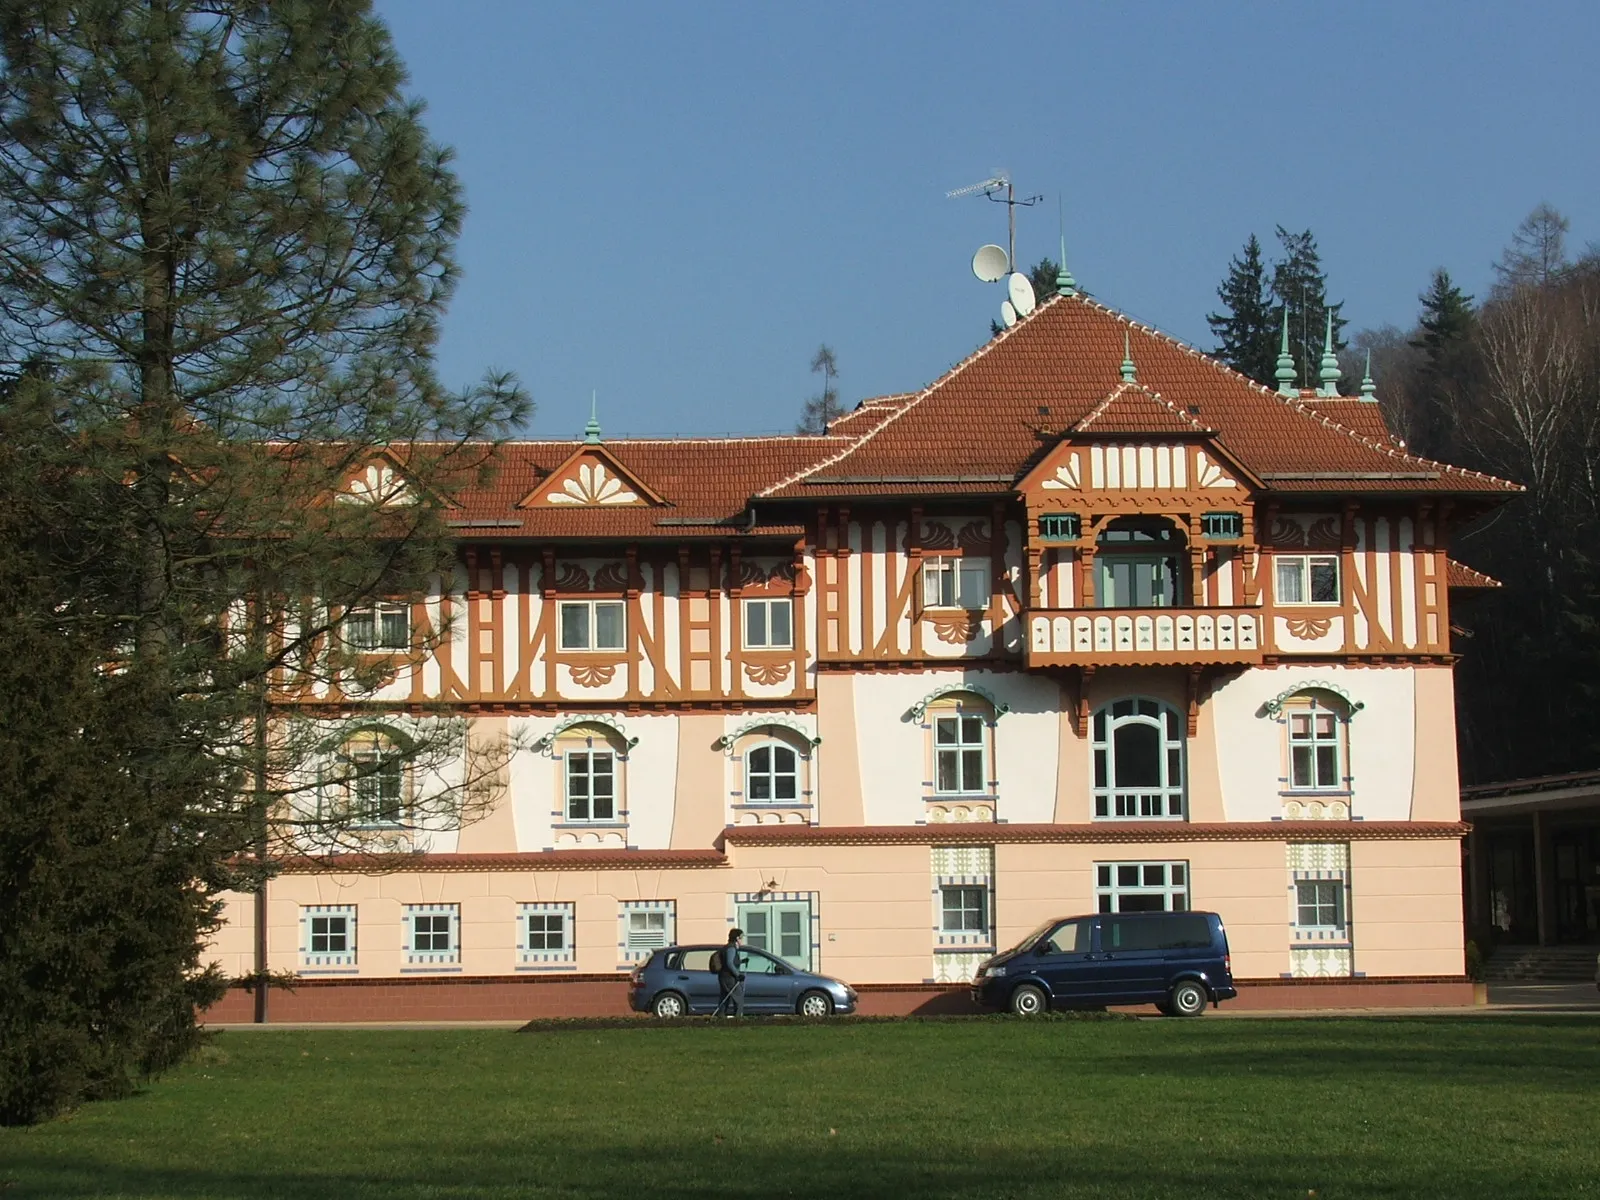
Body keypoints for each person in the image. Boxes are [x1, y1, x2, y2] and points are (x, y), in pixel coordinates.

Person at [717, 927, 745, 1017]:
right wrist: (738, 975)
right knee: (738, 998)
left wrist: (742, 961)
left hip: (724, 977)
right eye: (741, 938)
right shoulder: (731, 948)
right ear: (737, 938)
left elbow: (731, 962)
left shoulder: (728, 947)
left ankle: (721, 1017)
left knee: (725, 998)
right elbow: (729, 963)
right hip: (730, 978)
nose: (742, 940)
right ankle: (738, 1019)